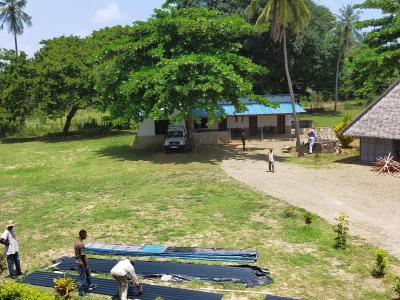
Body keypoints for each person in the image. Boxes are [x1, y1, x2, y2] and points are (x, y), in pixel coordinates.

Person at [74, 230, 96, 296]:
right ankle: (81, 292)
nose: (86, 236)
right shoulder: (80, 244)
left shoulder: (76, 241)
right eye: (85, 235)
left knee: (87, 273)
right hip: (81, 263)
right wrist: (86, 265)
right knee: (82, 277)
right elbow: (83, 256)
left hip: (78, 260)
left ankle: (90, 284)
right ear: (82, 235)